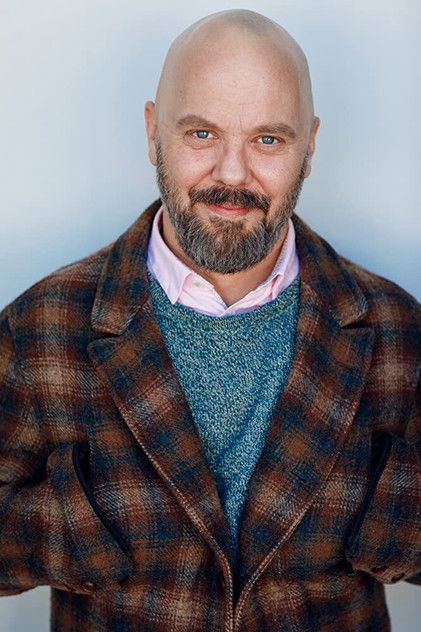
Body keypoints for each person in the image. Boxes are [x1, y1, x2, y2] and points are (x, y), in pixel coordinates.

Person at [0, 9, 419, 632]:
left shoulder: (399, 332)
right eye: (201, 133)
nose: (232, 174)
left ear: (309, 146)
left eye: (268, 140)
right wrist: (81, 521)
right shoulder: (40, 328)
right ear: (153, 132)